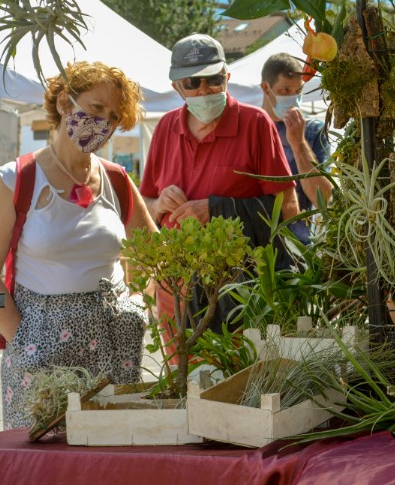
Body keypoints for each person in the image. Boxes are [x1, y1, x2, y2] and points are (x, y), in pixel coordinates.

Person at [0, 61, 158, 429]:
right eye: (96, 108)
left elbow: (157, 254)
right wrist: (19, 337)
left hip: (113, 348)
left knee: (110, 461)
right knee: (39, 466)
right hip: (37, 351)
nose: (104, 122)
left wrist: (136, 304)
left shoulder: (116, 179)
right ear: (64, 104)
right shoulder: (17, 178)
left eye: (114, 116)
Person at [140, 33, 299, 358]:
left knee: (235, 387)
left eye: (213, 80)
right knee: (182, 384)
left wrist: (217, 210)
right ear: (177, 87)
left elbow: (289, 209)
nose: (204, 90)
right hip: (177, 284)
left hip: (239, 288)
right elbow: (145, 205)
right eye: (193, 83)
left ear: (227, 77)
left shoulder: (256, 124)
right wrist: (158, 204)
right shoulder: (166, 128)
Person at [260, 53, 332, 243]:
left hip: (300, 248)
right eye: (285, 90)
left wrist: (299, 145)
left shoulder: (313, 132)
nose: (292, 98)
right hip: (255, 245)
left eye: (297, 91)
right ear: (266, 88)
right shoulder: (249, 129)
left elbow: (324, 200)